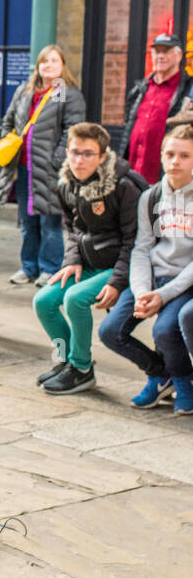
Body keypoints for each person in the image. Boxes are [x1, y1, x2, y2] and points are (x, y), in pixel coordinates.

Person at [34, 123, 146, 395]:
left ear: (103, 156)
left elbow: (135, 240)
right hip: (86, 263)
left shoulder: (124, 186)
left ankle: (82, 369)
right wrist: (72, 259)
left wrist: (119, 282)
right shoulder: (67, 184)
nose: (78, 160)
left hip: (120, 266)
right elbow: (72, 229)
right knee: (44, 301)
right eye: (74, 152)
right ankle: (66, 359)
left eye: (87, 154)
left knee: (76, 299)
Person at [99, 123, 193, 416]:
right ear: (162, 156)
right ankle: (160, 373)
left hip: (182, 282)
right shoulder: (151, 198)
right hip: (152, 279)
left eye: (185, 155)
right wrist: (141, 292)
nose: (175, 161)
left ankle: (184, 381)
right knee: (110, 331)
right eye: (170, 154)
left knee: (166, 329)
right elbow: (141, 248)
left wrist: (162, 296)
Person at [0, 45, 86, 287]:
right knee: (27, 222)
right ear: (38, 66)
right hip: (24, 169)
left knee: (50, 223)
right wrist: (9, 144)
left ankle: (50, 269)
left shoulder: (68, 94)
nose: (48, 66)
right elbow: (8, 121)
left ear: (62, 66)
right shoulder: (24, 92)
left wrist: (57, 160)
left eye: (54, 61)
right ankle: (28, 267)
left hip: (51, 170)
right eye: (44, 61)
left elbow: (72, 131)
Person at [118, 33, 193, 185]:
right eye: (157, 51)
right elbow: (128, 128)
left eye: (166, 51)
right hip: (132, 174)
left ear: (179, 56)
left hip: (167, 175)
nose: (160, 56)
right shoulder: (140, 90)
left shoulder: (188, 90)